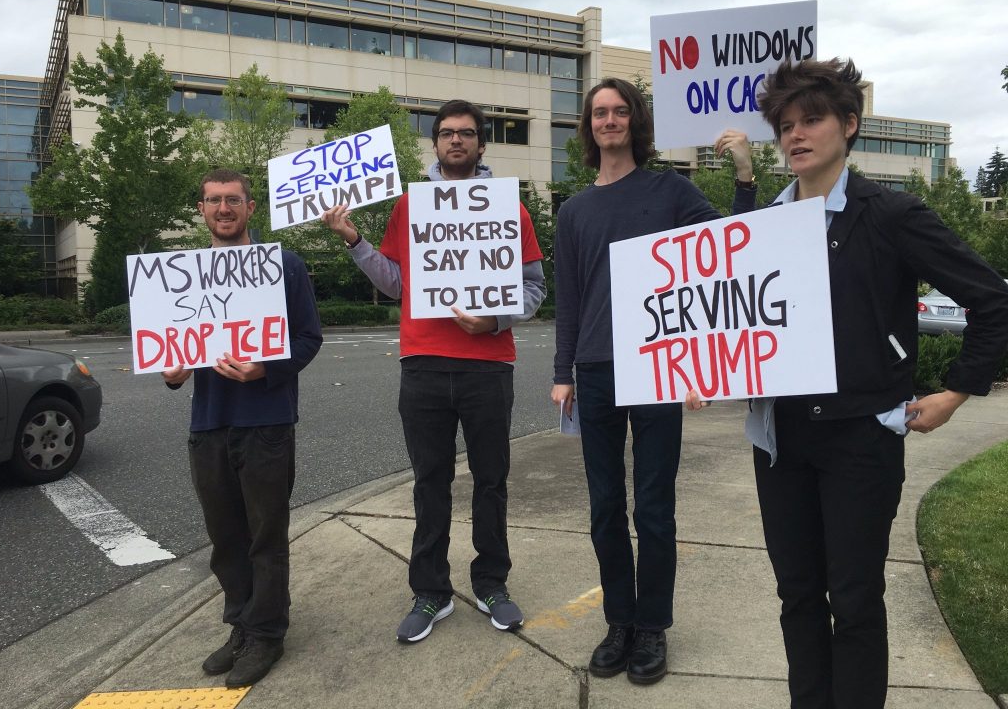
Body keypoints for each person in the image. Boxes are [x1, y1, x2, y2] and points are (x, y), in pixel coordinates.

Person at [688, 58, 1008, 708]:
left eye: (812, 120)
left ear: (849, 125)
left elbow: (992, 300)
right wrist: (711, 366)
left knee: (855, 598)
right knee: (797, 594)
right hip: (779, 440)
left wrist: (956, 392)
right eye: (785, 125)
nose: (796, 135)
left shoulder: (889, 213)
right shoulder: (765, 227)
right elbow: (741, 319)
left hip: (861, 440)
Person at [550, 77, 757, 685]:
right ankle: (619, 620)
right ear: (587, 126)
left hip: (659, 367)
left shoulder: (670, 189)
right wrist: (563, 373)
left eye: (618, 112)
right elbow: (569, 299)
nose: (609, 121)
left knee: (655, 507)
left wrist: (745, 175)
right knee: (605, 506)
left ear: (634, 121)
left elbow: (728, 251)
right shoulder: (575, 210)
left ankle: (653, 627)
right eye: (599, 113)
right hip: (595, 371)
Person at [321, 100, 546, 643]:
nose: (456, 142)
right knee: (430, 483)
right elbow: (398, 285)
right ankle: (430, 591)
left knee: (491, 482)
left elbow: (535, 291)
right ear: (436, 143)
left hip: (489, 367)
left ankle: (492, 583)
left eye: (466, 134)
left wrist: (493, 320)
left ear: (481, 145)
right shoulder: (411, 206)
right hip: (422, 365)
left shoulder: (509, 210)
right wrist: (355, 241)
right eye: (447, 134)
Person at [163, 168, 323, 688]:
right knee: (225, 537)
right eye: (214, 200)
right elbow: (171, 355)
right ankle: (241, 626)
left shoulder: (286, 267)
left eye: (233, 200)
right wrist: (174, 366)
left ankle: (268, 634)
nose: (224, 208)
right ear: (202, 209)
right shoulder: (180, 274)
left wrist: (265, 368)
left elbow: (308, 338)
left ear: (251, 208)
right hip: (208, 422)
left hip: (266, 422)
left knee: (265, 536)